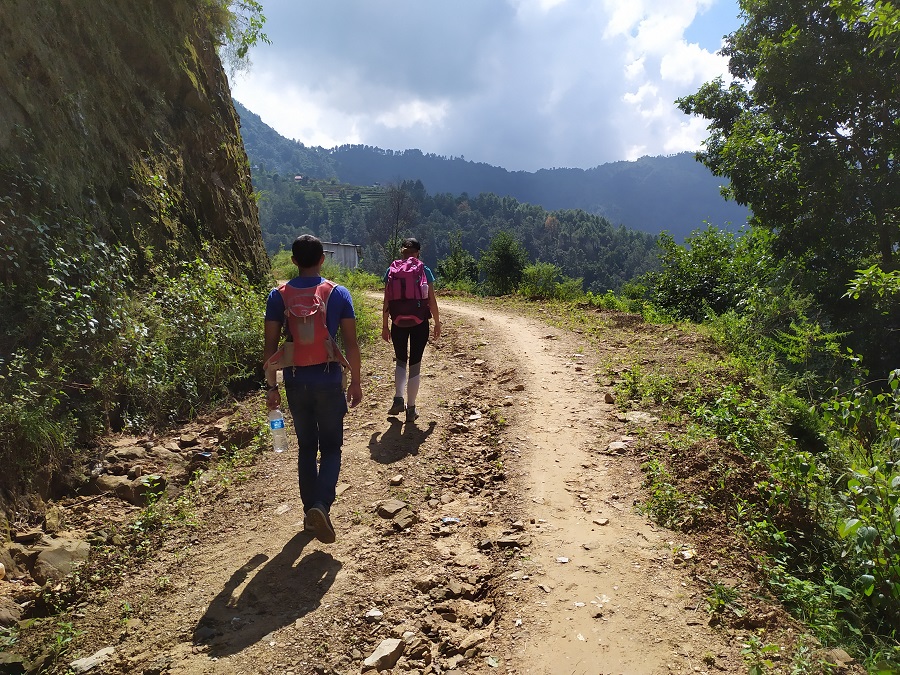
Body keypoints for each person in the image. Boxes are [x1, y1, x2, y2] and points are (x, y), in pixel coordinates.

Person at [264, 234, 362, 544]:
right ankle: (321, 505)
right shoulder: (338, 294)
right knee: (331, 447)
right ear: (323, 259)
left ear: (293, 261)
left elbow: (269, 347)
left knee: (307, 447)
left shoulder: (278, 296)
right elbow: (350, 343)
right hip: (329, 378)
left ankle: (310, 513)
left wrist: (271, 388)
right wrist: (356, 380)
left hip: (295, 380)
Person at [381, 237, 441, 423]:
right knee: (415, 364)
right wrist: (437, 322)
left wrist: (384, 325)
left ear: (402, 251)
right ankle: (411, 409)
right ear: (418, 252)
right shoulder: (424, 269)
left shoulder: (391, 270)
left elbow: (387, 301)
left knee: (400, 360)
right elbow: (431, 300)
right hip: (419, 322)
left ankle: (398, 398)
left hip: (397, 322)